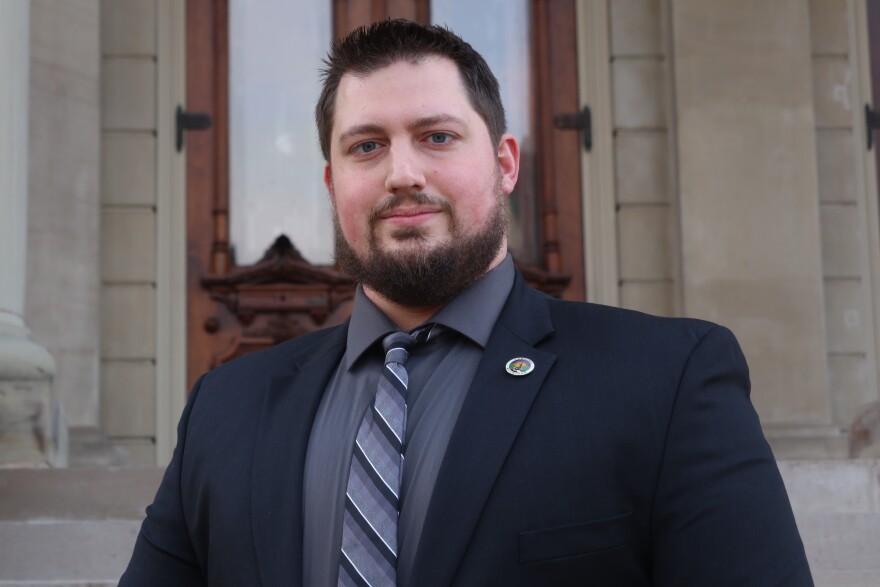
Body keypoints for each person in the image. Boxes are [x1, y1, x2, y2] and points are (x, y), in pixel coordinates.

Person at [120, 19, 813, 586]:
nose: (403, 173)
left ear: (506, 162)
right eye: (367, 146)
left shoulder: (668, 381)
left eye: (437, 136)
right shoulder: (227, 406)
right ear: (333, 183)